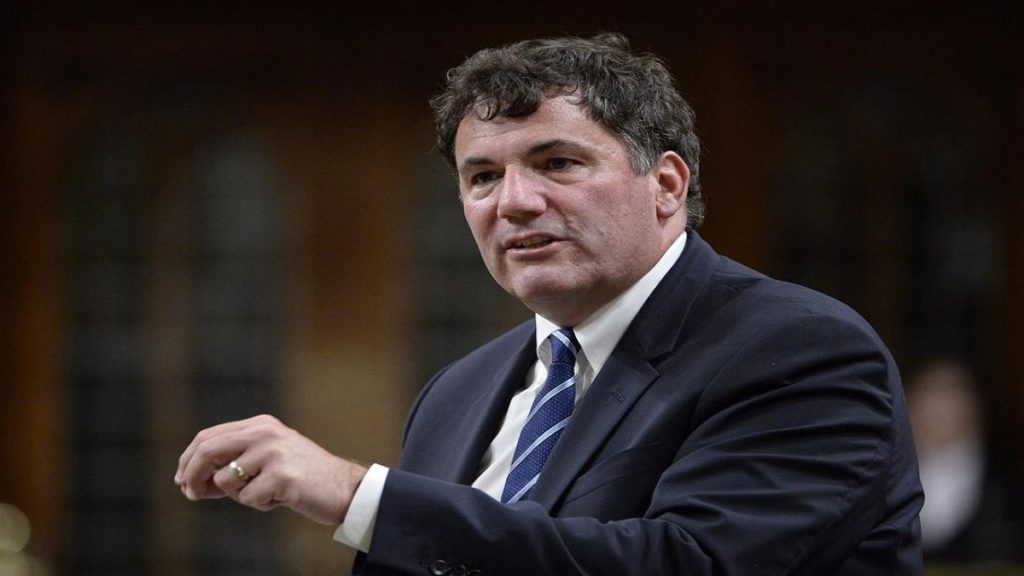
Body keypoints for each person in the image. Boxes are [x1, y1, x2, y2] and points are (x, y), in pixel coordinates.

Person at [175, 33, 923, 575]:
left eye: (557, 163)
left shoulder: (799, 349)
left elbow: (685, 564)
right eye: (482, 178)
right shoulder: (457, 392)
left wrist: (354, 494)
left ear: (666, 185)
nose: (514, 203)